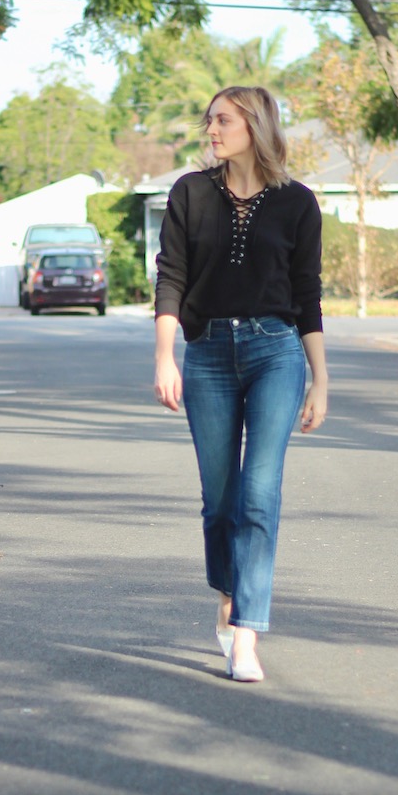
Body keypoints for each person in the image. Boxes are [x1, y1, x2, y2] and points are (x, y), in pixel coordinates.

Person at [153, 85, 328, 683]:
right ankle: (227, 595)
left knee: (259, 493)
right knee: (219, 499)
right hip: (206, 355)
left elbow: (308, 296)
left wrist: (320, 380)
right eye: (209, 121)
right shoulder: (190, 193)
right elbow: (171, 277)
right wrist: (164, 356)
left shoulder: (298, 203)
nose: (212, 130)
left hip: (276, 353)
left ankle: (247, 633)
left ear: (254, 125)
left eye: (222, 120)